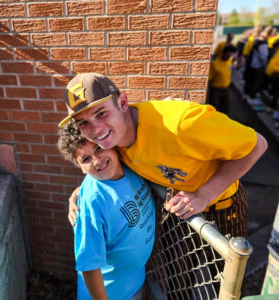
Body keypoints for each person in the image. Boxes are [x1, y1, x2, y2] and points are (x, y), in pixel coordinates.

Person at [60, 73, 268, 242]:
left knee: (224, 280)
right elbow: (107, 164)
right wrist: (82, 191)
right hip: (177, 207)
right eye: (83, 123)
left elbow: (257, 145)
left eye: (101, 113)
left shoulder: (182, 124)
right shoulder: (113, 139)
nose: (95, 129)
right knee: (177, 277)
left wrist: (204, 195)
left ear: (123, 102)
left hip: (221, 204)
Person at [58, 119, 156, 300]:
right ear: (80, 168)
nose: (97, 160)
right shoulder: (92, 205)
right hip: (112, 294)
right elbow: (88, 265)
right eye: (86, 159)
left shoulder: (132, 165)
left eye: (98, 148)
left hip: (134, 281)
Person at [208, 44, 237, 114]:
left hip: (226, 89)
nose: (233, 56)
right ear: (226, 53)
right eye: (231, 54)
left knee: (226, 108)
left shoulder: (229, 62)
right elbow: (209, 79)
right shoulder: (215, 64)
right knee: (215, 109)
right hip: (216, 90)